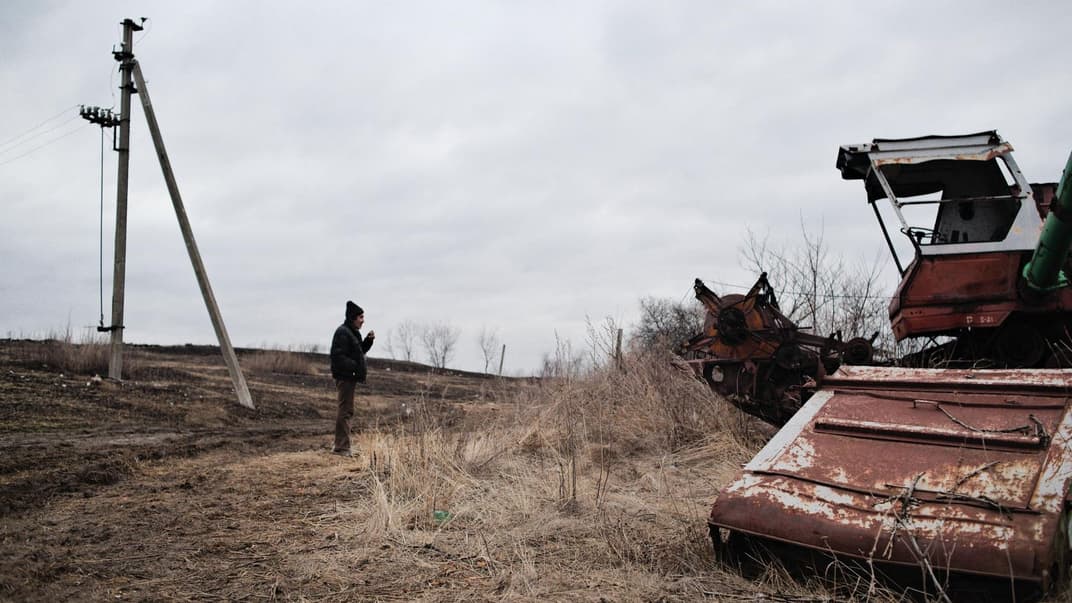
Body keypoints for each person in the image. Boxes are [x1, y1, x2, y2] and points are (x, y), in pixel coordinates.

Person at [329, 300, 375, 456]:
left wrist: (368, 342)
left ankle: (342, 445)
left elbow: (358, 352)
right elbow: (338, 356)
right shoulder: (343, 332)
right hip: (345, 378)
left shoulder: (351, 332)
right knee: (345, 411)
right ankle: (341, 447)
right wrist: (355, 367)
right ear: (352, 317)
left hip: (350, 377)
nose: (363, 320)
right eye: (361, 317)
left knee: (347, 410)